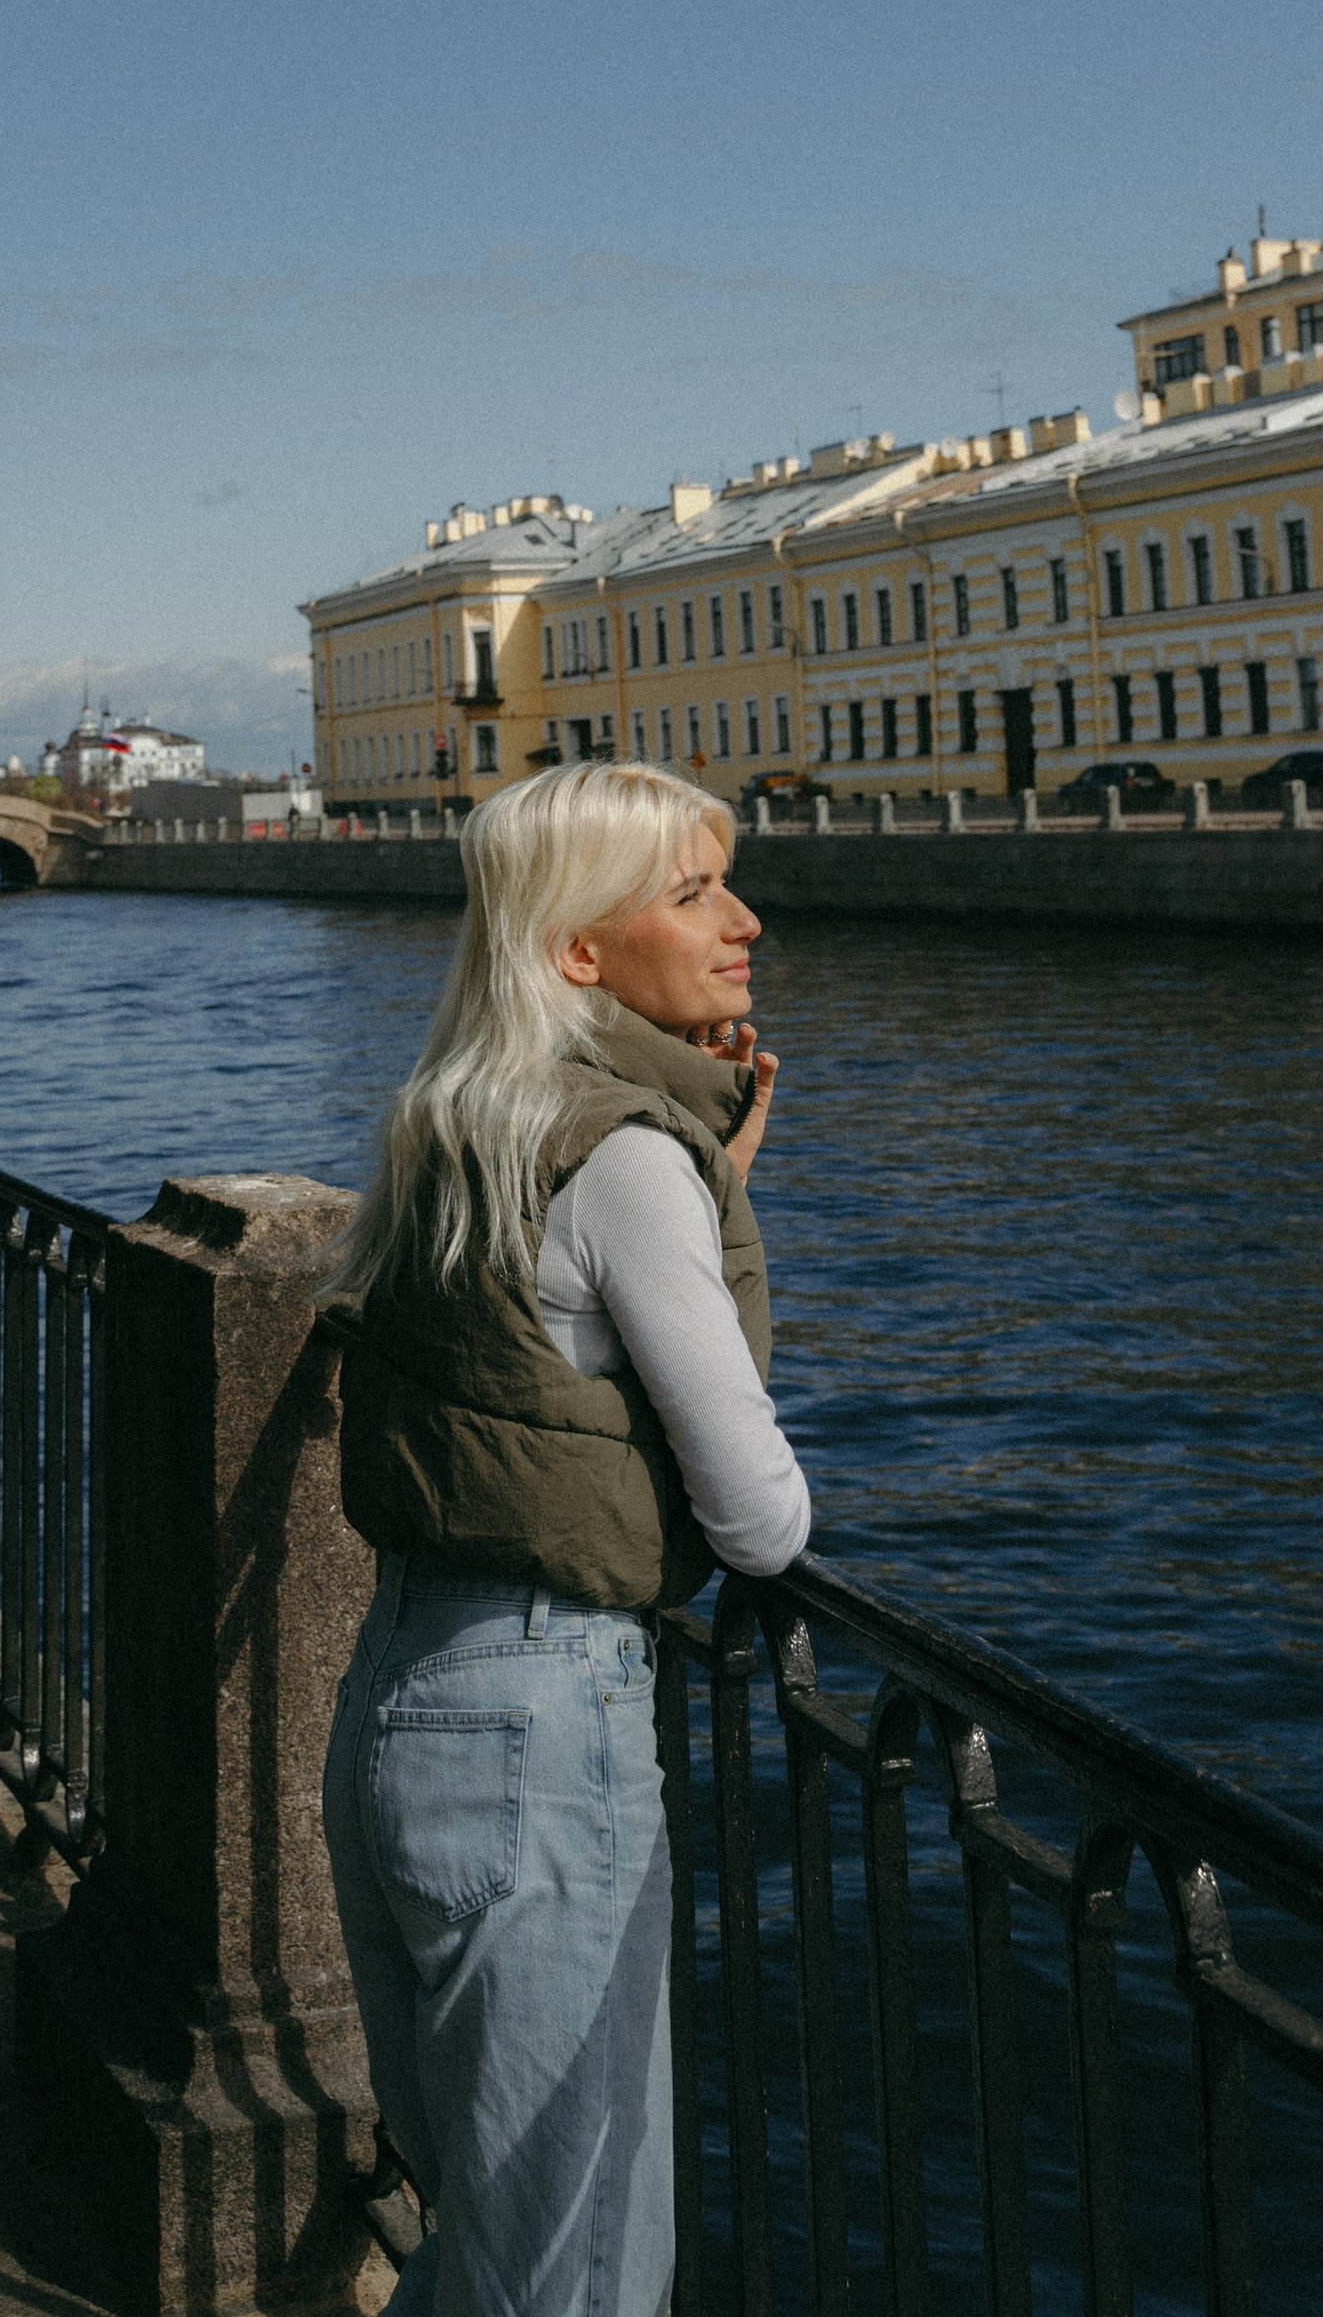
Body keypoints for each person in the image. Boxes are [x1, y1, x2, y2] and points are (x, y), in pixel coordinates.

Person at [320, 759, 812, 2317]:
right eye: (692, 893)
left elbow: (527, 1348)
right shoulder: (625, 1160)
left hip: (400, 1691)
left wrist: (705, 1185)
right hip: (542, 1729)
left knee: (486, 2234)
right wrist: (705, 1205)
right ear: (580, 952)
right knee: (579, 2270)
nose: (744, 921)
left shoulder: (452, 1121)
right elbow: (759, 1517)